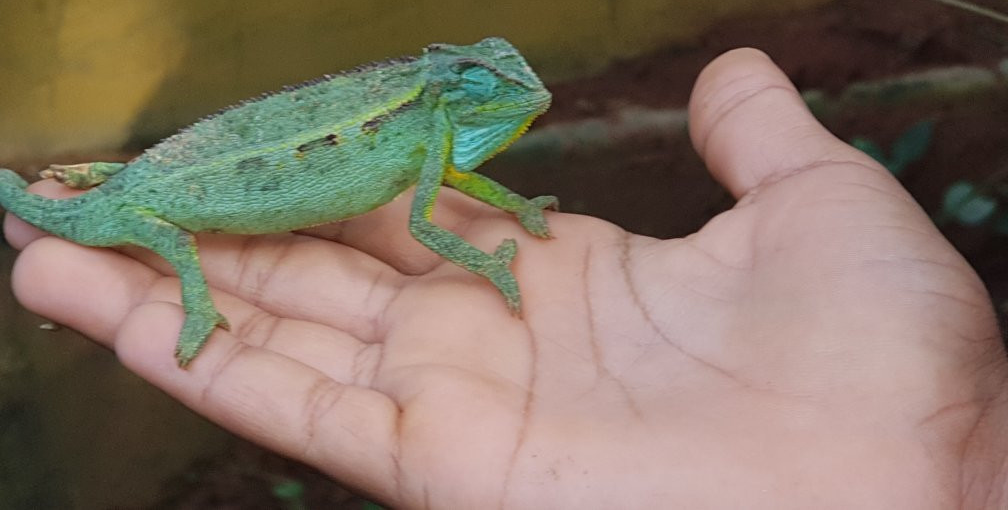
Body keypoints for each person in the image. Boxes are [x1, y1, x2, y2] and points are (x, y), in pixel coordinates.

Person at [5, 48, 1007, 508]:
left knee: (138, 204)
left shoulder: (428, 124)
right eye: (483, 81)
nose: (515, 95)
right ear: (449, 91)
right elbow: (435, 219)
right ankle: (177, 284)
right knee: (159, 237)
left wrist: (520, 212)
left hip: (159, 180)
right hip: (160, 197)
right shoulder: (423, 125)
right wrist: (489, 253)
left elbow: (438, 179)